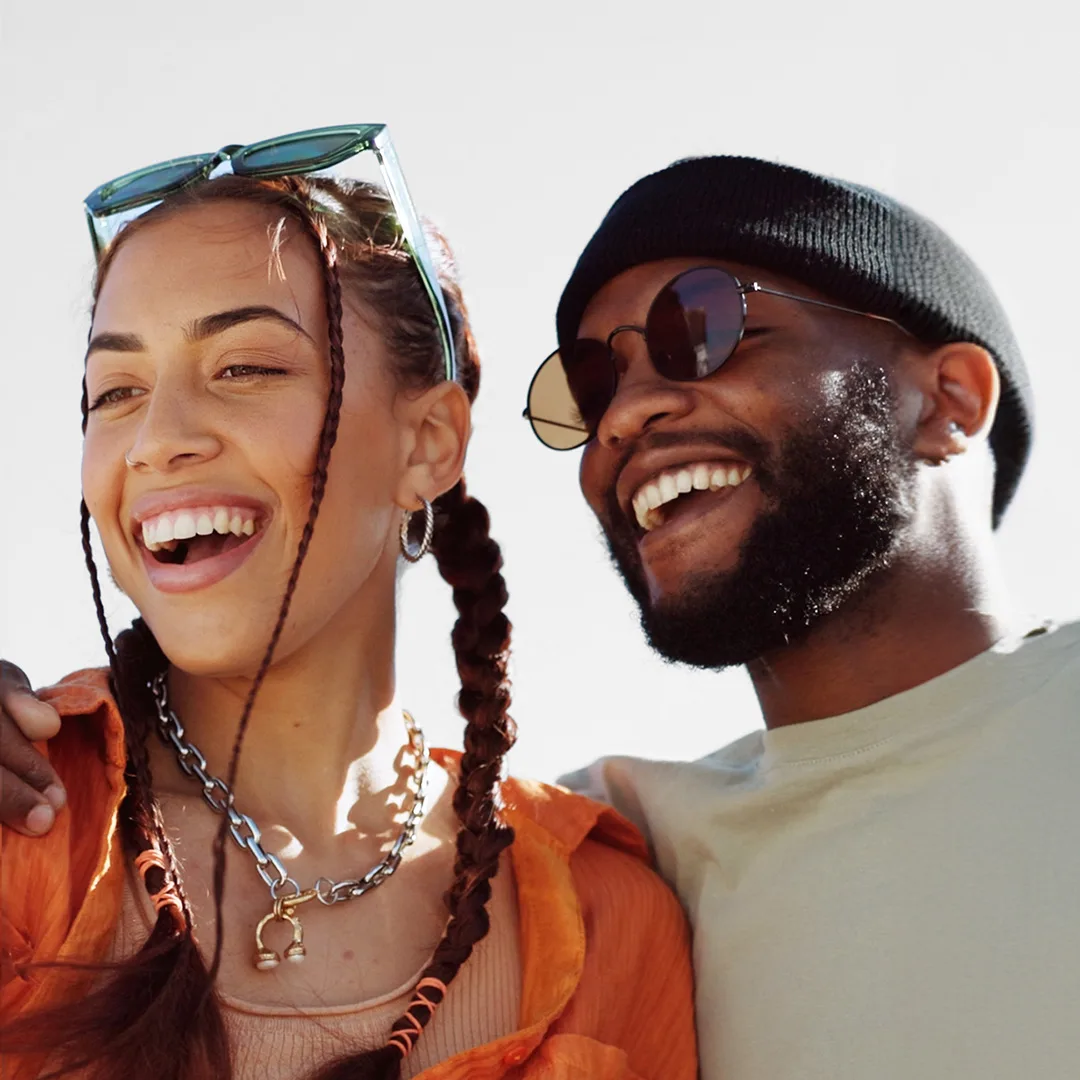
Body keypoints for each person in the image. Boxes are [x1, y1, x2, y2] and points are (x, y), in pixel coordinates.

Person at [0, 128, 696, 1080]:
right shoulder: (25, 820)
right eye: (113, 390)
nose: (155, 442)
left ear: (428, 445)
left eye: (246, 368)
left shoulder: (605, 912)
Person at [523, 155, 1080, 1079]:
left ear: (949, 401)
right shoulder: (598, 849)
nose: (622, 418)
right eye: (591, 387)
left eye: (702, 328)